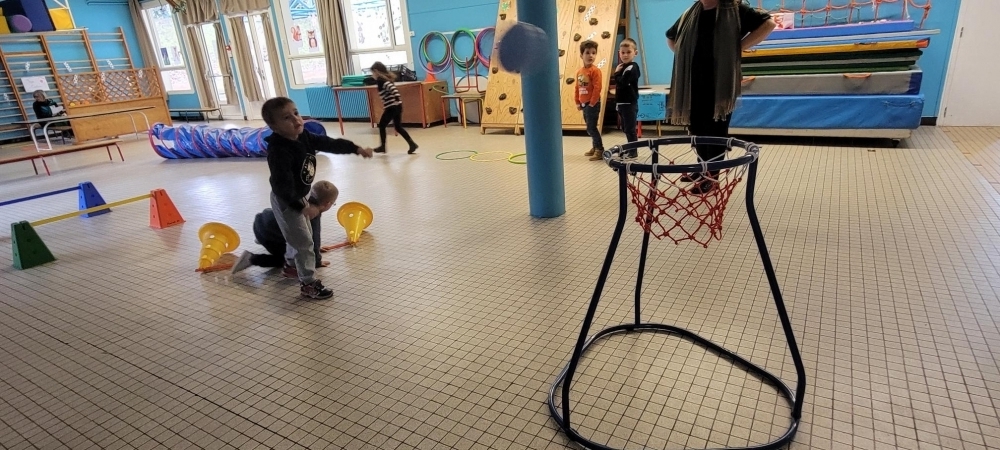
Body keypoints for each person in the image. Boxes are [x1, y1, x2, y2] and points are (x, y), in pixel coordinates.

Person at [260, 97, 374, 299]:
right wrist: (301, 206)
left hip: (300, 195)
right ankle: (308, 284)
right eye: (286, 118)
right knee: (303, 241)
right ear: (274, 127)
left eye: (296, 113)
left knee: (300, 235)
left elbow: (329, 143)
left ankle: (291, 265)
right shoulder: (279, 150)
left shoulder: (303, 136)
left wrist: (355, 148)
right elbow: (281, 185)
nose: (296, 120)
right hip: (288, 201)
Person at [666, 0, 775, 194]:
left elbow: (768, 24)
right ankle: (702, 169)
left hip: (719, 82)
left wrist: (738, 47)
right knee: (697, 127)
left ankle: (712, 177)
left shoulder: (734, 8)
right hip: (692, 82)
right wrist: (685, 55)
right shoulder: (691, 12)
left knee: (714, 129)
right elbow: (671, 37)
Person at [231, 180, 338, 277]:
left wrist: (316, 248)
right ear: (327, 203)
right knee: (296, 260)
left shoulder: (301, 197)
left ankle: (263, 239)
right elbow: (313, 238)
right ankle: (251, 259)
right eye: (333, 204)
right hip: (270, 236)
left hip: (260, 222)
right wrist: (316, 261)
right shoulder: (312, 212)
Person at [370, 62, 418, 154]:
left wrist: (396, 98)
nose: (372, 75)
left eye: (373, 73)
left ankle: (383, 146)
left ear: (376, 71)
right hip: (397, 106)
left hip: (392, 107)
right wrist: (398, 101)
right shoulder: (385, 79)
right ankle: (412, 144)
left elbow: (392, 88)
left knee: (382, 125)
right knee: (398, 127)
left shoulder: (381, 81)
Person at [577, 40, 605, 161]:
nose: (591, 55)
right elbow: (577, 88)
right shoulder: (580, 72)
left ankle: (599, 149)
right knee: (589, 126)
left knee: (591, 128)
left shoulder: (595, 71)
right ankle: (595, 147)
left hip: (592, 104)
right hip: (584, 104)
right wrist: (577, 102)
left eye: (593, 53)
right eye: (587, 53)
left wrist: (593, 102)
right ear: (581, 55)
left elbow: (597, 88)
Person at [614, 38, 641, 158]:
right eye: (623, 52)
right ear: (619, 53)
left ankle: (633, 151)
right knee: (625, 128)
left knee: (630, 129)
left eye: (628, 52)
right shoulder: (623, 67)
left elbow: (622, 83)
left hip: (629, 103)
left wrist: (616, 74)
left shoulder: (632, 67)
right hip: (622, 103)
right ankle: (630, 148)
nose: (625, 55)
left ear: (635, 53)